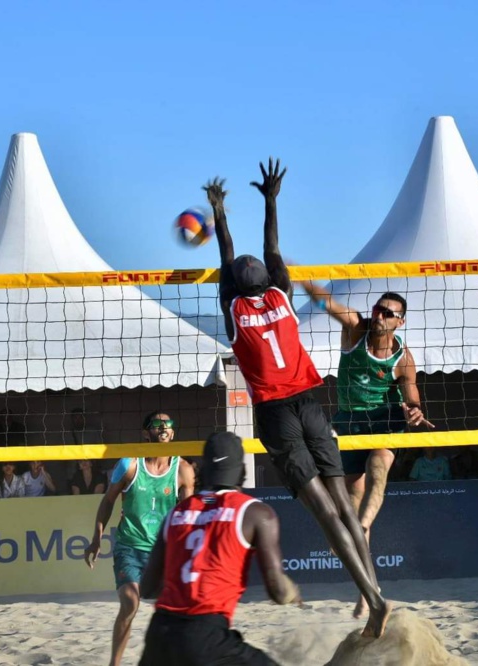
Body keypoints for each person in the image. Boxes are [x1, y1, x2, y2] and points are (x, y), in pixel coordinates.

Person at [204, 158, 390, 638]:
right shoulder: (282, 296)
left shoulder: (233, 307)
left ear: (235, 286)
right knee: (346, 508)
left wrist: (219, 213)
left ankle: (374, 599)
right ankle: (371, 590)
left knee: (324, 512)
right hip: (311, 403)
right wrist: (270, 199)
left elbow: (230, 258)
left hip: (276, 413)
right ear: (269, 279)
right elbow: (270, 246)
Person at [299, 281, 433, 616]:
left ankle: (359, 527)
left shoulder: (404, 357)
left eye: (388, 313)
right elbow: (327, 303)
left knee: (378, 468)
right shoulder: (356, 329)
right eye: (378, 308)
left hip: (385, 419)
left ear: (399, 322)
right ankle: (367, 592)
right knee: (351, 502)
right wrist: (301, 278)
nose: (379, 315)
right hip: (348, 422)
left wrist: (414, 408)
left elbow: (411, 392)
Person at [139, 431, 300, 666]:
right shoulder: (255, 513)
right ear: (241, 471)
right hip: (205, 636)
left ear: (203, 470)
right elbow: (277, 592)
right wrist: (291, 592)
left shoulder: (176, 512)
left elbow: (148, 589)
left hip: (159, 635)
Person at [84, 412, 195, 666]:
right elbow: (108, 500)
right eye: (157, 424)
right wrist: (96, 537)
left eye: (169, 424)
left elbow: (186, 518)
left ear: (174, 433)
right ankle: (115, 663)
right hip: (130, 547)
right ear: (146, 433)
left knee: (179, 612)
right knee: (130, 603)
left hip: (163, 552)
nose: (164, 427)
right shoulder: (130, 464)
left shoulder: (183, 470)